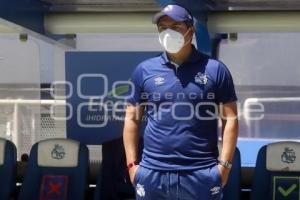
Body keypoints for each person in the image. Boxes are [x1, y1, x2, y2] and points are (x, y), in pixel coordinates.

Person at [123, 4, 238, 200]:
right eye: (162, 28)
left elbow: (231, 119)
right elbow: (131, 120)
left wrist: (224, 167)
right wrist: (133, 167)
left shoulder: (215, 70)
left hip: (201, 173)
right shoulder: (144, 70)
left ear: (190, 31)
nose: (167, 33)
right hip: (152, 173)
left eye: (175, 28)